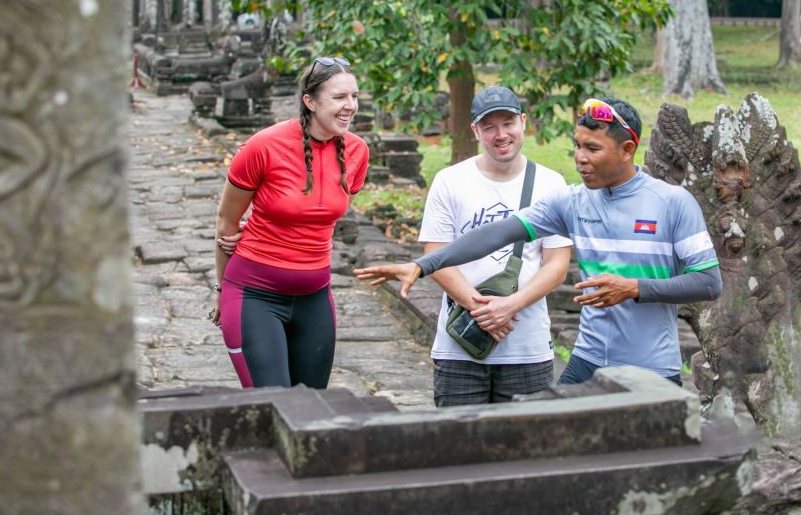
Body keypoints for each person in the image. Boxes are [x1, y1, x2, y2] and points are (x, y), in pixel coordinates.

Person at [356, 97, 721, 386]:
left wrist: (634, 288)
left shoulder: (672, 203)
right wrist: (423, 265)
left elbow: (708, 282)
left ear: (627, 150)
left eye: (592, 149)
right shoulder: (572, 201)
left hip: (652, 368)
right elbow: (496, 234)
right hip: (586, 361)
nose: (580, 159)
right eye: (577, 146)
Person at [211, 56, 369, 389]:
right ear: (309, 101)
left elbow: (322, 217)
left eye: (355, 96)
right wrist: (221, 290)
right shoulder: (262, 147)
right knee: (275, 408)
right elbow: (227, 220)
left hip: (315, 298)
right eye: (340, 97)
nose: (350, 106)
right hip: (254, 297)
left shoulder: (357, 151)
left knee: (312, 412)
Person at [419, 86, 572, 406]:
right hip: (460, 345)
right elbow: (435, 255)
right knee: (459, 448)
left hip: (526, 347)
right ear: (475, 130)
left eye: (508, 123)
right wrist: (481, 308)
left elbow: (557, 264)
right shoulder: (449, 181)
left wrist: (511, 305)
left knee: (527, 451)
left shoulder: (552, 184)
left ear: (524, 123)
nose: (500, 134)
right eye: (489, 126)